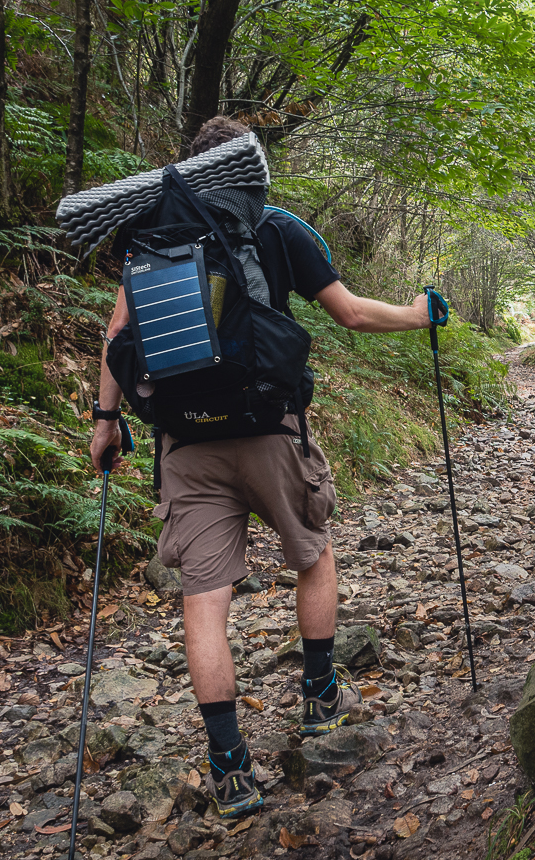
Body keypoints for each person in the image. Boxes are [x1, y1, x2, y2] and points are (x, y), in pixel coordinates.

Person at [89, 116, 431, 817]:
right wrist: (418, 313)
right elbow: (352, 317)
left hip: (185, 447)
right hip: (270, 431)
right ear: (250, 167)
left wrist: (105, 422)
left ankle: (230, 768)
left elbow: (119, 335)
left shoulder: (152, 235)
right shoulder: (277, 228)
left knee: (203, 603)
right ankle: (318, 697)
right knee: (313, 555)